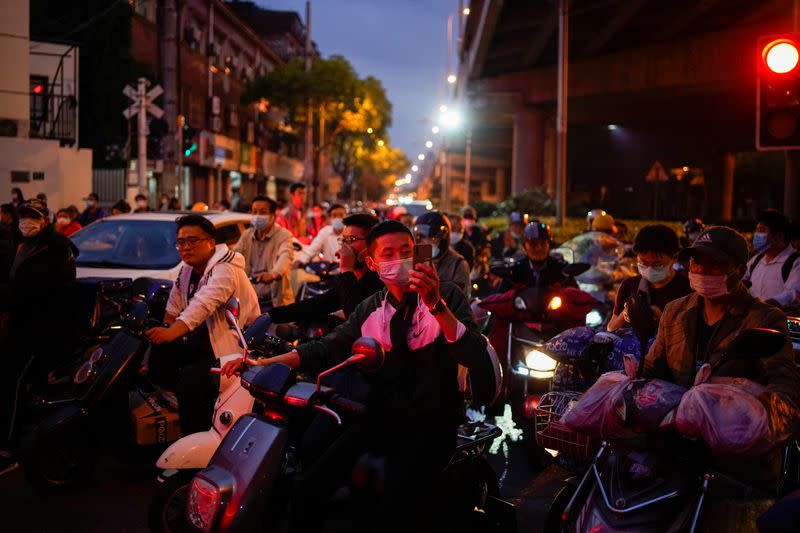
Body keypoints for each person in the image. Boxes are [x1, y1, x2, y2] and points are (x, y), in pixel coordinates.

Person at [222, 220, 487, 532]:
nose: (400, 258)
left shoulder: (448, 295)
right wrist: (265, 363)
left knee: (391, 513)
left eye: (406, 250)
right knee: (307, 488)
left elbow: (473, 354)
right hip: (379, 418)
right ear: (373, 263)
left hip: (430, 424)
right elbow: (326, 348)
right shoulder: (372, 307)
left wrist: (436, 305)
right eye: (389, 253)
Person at [643, 225, 800, 491]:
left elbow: (785, 386)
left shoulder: (765, 318)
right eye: (696, 261)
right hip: (675, 450)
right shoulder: (675, 312)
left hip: (734, 464)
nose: (702, 270)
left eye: (714, 264)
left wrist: (755, 419)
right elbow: (651, 370)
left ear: (738, 270)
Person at [145, 214, 259, 434]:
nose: (186, 247)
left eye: (192, 241)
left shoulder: (226, 268)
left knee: (190, 382)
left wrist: (171, 333)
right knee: (156, 361)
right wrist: (163, 331)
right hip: (201, 340)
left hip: (231, 348)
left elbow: (204, 303)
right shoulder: (187, 270)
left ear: (210, 242)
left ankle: (196, 443)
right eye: (181, 242)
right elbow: (173, 306)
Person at [0, 199, 79, 473]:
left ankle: (8, 448)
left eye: (33, 217)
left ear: (46, 219)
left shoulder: (57, 248)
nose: (26, 222)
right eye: (23, 216)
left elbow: (35, 290)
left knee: (15, 381)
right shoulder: (20, 244)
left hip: (43, 331)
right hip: (18, 328)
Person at [270, 213, 384, 323]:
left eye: (351, 240)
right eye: (343, 240)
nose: (344, 247)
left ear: (372, 243)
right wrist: (270, 316)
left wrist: (346, 270)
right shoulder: (354, 277)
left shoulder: (382, 280)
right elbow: (317, 305)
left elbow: (356, 317)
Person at [607, 224, 693, 332]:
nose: (650, 268)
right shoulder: (629, 285)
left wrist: (661, 319)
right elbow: (611, 328)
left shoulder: (688, 289)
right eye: (644, 263)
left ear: (675, 257)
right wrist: (626, 314)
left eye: (657, 265)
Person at [233, 195, 295, 308]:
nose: (257, 216)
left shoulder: (284, 235)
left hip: (272, 301)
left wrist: (273, 274)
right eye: (254, 211)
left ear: (273, 216)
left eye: (262, 212)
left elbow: (286, 255)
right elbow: (234, 255)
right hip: (249, 301)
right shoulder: (247, 235)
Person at [744, 209, 800, 310]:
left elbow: (794, 294)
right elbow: (741, 282)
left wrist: (766, 305)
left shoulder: (795, 263)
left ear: (779, 236)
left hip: (779, 323)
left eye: (761, 231)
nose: (756, 235)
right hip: (753, 321)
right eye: (756, 231)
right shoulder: (756, 260)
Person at [499, 220, 577, 292]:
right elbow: (499, 299)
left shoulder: (561, 269)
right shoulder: (515, 271)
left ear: (548, 244)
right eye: (533, 243)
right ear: (524, 246)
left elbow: (577, 297)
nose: (538, 248)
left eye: (543, 243)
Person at [413, 211, 471, 298]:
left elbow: (461, 301)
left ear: (444, 239)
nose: (427, 242)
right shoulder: (415, 260)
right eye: (423, 238)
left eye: (434, 238)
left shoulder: (457, 264)